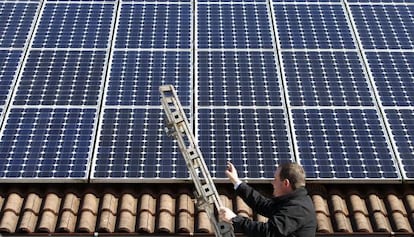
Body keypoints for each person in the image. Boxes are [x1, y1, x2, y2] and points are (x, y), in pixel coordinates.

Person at [219, 161, 317, 237]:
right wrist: (237, 182)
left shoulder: (299, 208)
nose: (272, 183)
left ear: (286, 183)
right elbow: (263, 205)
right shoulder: (292, 202)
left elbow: (268, 232)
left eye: (275, 179)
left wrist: (235, 219)